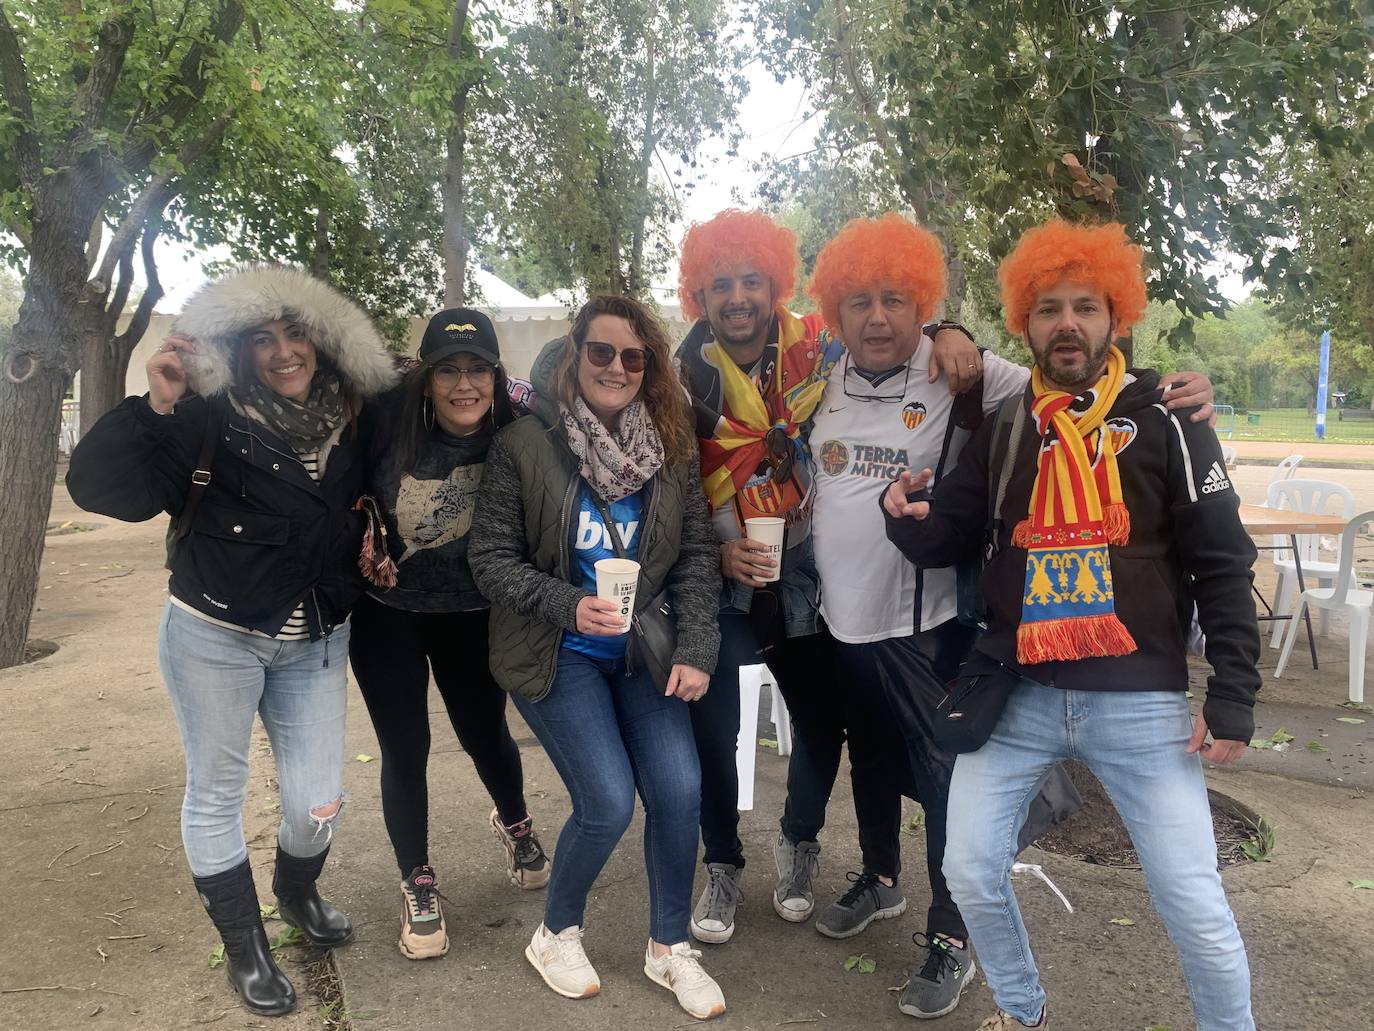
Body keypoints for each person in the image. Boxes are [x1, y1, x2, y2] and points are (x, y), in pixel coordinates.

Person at [806, 214, 1217, 1020]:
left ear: (923, 304)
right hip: (841, 622)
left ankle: (949, 940)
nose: (879, 316)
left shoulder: (968, 371)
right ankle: (882, 879)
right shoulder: (819, 385)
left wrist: (955, 333)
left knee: (947, 788)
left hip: (926, 630)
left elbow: (1069, 379)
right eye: (859, 301)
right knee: (873, 767)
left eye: (898, 297)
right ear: (835, 313)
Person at [66, 266, 398, 1016]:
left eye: (296, 333)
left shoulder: (353, 411)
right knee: (216, 790)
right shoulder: (205, 412)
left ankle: (295, 892)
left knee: (318, 800)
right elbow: (100, 488)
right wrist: (157, 400)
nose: (284, 352)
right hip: (214, 632)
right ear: (239, 350)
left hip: (315, 633)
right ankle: (244, 942)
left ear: (321, 338)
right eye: (262, 339)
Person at [674, 209, 982, 945]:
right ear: (699, 295)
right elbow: (669, 486)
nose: (739, 296)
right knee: (715, 726)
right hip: (719, 577)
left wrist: (950, 330)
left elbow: (894, 327)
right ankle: (720, 862)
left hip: (806, 576)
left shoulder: (819, 348)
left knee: (821, 723)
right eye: (721, 284)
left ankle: (799, 844)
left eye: (753, 279)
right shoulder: (680, 376)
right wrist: (713, 555)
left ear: (777, 282)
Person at [469, 296, 726, 1020]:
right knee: (608, 800)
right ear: (576, 355)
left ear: (650, 371)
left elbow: (697, 557)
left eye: (634, 357)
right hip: (556, 651)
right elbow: (489, 561)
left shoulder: (669, 453)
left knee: (679, 789)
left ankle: (669, 946)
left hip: (642, 649)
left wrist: (698, 648)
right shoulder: (524, 445)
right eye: (602, 352)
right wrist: (565, 602)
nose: (617, 367)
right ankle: (555, 931)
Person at [349, 308, 550, 962]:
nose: (464, 384)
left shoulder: (518, 419)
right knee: (406, 745)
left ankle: (515, 823)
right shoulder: (384, 416)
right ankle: (418, 880)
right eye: (448, 371)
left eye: (477, 369)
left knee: (483, 731)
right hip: (389, 610)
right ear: (427, 376)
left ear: (494, 373)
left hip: (471, 610)